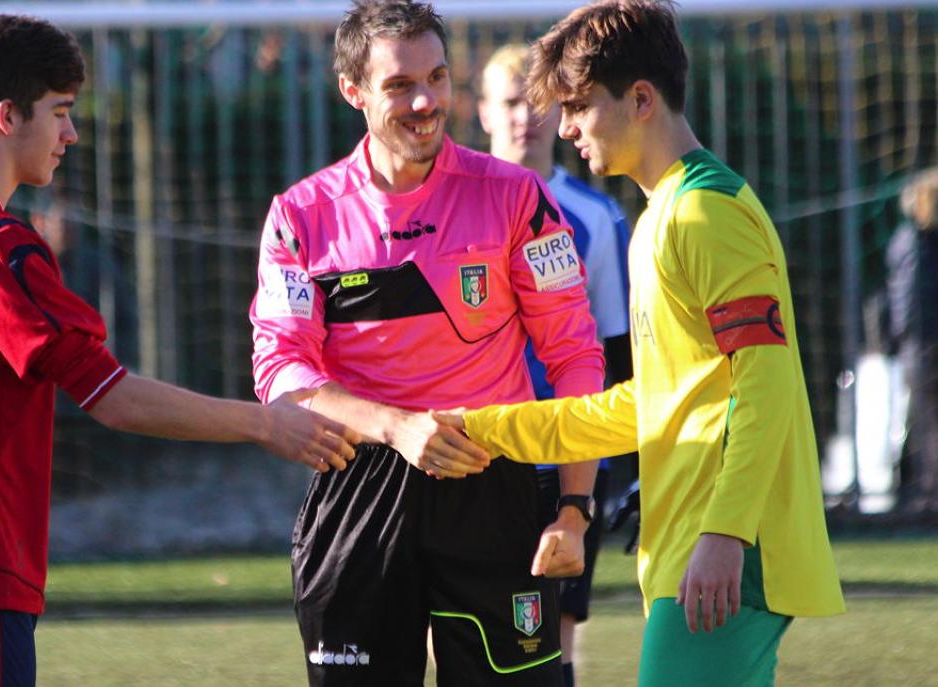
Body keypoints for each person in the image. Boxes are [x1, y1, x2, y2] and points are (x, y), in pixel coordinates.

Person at [0, 14, 360, 687]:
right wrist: (267, 423)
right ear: (8, 116)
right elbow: (112, 395)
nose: (72, 133)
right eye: (60, 112)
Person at [439, 1, 845, 685]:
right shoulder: (661, 216)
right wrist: (483, 430)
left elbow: (767, 383)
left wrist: (726, 533)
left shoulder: (707, 212)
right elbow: (648, 404)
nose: (564, 128)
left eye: (579, 106)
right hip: (695, 545)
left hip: (727, 553)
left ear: (641, 98)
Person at [248, 1, 604, 684]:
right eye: (398, 85)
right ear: (352, 91)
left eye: (437, 78)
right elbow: (282, 370)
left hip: (494, 483)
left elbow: (575, 355)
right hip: (359, 486)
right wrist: (396, 427)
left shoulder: (518, 197)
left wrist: (573, 506)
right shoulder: (300, 216)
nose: (424, 101)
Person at [478, 43, 633, 687]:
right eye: (510, 102)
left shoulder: (597, 219)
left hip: (559, 463)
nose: (526, 117)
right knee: (454, 634)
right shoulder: (442, 210)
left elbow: (616, 355)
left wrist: (623, 469)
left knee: (553, 639)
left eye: (538, 102)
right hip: (469, 453)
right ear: (483, 113)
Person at [886, 167, 938, 514]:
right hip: (924, 346)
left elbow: (907, 301)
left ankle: (929, 492)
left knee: (927, 422)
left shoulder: (915, 241)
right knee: (926, 422)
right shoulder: (914, 242)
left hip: (922, 346)